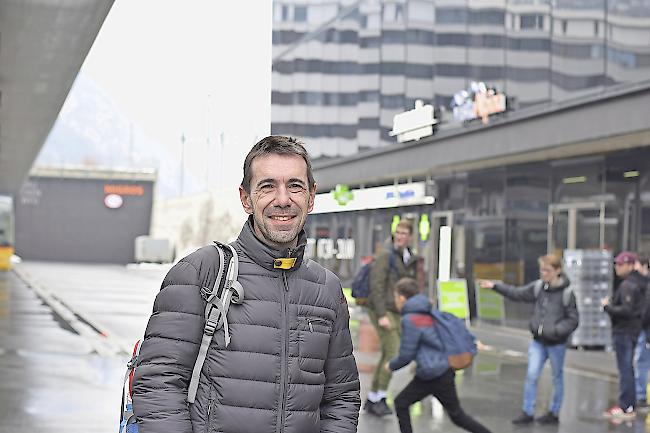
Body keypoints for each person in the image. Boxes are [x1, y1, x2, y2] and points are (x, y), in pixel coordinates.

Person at [132, 136, 361, 433]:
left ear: (311, 196)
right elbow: (158, 384)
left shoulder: (327, 289)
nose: (283, 199)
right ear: (246, 198)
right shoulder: (200, 272)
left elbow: (341, 396)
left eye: (295, 185)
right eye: (267, 186)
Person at [478, 254, 578, 425]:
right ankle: (527, 411)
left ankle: (554, 413)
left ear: (558, 271)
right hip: (538, 342)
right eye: (542, 270)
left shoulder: (567, 294)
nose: (544, 273)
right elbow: (516, 293)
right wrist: (495, 286)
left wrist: (556, 331)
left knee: (557, 378)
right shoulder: (539, 287)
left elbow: (573, 319)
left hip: (556, 343)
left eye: (547, 270)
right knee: (531, 375)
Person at [387, 277, 493, 433]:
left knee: (402, 403)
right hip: (442, 371)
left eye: (395, 297)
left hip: (432, 374)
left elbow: (406, 354)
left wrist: (390, 365)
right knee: (457, 416)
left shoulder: (411, 319)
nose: (395, 301)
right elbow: (430, 343)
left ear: (402, 298)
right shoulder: (428, 312)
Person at [364, 220, 419, 416]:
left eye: (404, 233)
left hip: (398, 311)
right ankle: (379, 397)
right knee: (394, 353)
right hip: (383, 310)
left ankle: (374, 398)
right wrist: (381, 315)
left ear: (410, 236)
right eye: (398, 232)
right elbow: (376, 286)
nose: (400, 236)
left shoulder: (408, 257)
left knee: (388, 353)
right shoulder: (386, 256)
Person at [602, 251, 645, 419]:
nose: (616, 267)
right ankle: (629, 404)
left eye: (620, 264)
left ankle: (626, 406)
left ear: (629, 265)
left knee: (625, 369)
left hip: (625, 332)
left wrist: (607, 307)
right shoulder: (636, 283)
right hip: (632, 331)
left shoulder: (628, 285)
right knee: (629, 368)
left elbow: (626, 310)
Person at [635, 253, 650, 408]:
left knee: (642, 362)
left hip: (646, 330)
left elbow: (646, 308)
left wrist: (640, 323)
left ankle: (640, 395)